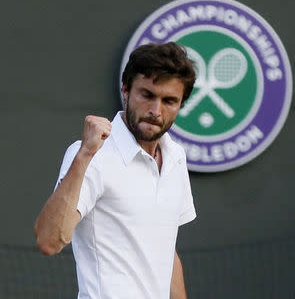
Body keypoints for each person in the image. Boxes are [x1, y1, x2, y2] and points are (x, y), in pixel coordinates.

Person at [34, 42, 197, 299]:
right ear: (126, 90)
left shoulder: (175, 157)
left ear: (180, 105)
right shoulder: (91, 153)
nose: (156, 110)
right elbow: (49, 240)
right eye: (147, 95)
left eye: (169, 101)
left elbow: (166, 251)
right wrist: (85, 155)